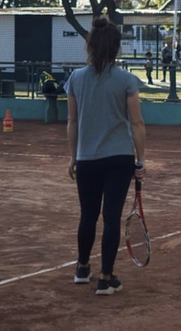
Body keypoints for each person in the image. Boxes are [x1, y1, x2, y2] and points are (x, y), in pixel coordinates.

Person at [65, 16, 147, 295]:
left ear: (91, 46)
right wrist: (140, 160)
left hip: (86, 159)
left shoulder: (76, 78)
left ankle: (82, 268)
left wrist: (73, 157)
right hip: (118, 159)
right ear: (116, 48)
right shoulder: (126, 80)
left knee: (88, 215)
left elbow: (72, 122)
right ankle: (106, 278)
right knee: (111, 217)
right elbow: (136, 123)